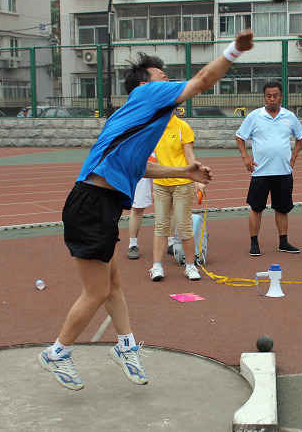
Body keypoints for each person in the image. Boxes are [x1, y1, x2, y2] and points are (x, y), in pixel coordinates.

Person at [38, 29, 255, 391]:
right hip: (91, 203)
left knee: (113, 283)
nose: (168, 79)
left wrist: (184, 171)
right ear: (145, 83)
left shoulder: (141, 118)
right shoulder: (147, 93)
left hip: (101, 203)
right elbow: (203, 79)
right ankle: (57, 352)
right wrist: (234, 50)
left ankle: (125, 347)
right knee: (95, 293)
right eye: (163, 75)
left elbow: (138, 168)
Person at [235, 81, 302, 256]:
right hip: (261, 172)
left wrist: (294, 157)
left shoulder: (289, 116)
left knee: (282, 209)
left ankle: (283, 242)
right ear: (264, 96)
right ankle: (254, 244)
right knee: (256, 208)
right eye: (268, 96)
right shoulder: (254, 116)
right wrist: (245, 157)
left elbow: (300, 136)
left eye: (275, 95)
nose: (272, 99)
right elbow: (239, 136)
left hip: (283, 172)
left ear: (281, 96)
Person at [149, 114, 205, 281]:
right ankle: (157, 266)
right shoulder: (154, 126)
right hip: (160, 184)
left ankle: (190, 266)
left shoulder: (182, 127)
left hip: (182, 184)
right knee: (161, 226)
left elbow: (189, 156)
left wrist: (197, 181)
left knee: (184, 225)